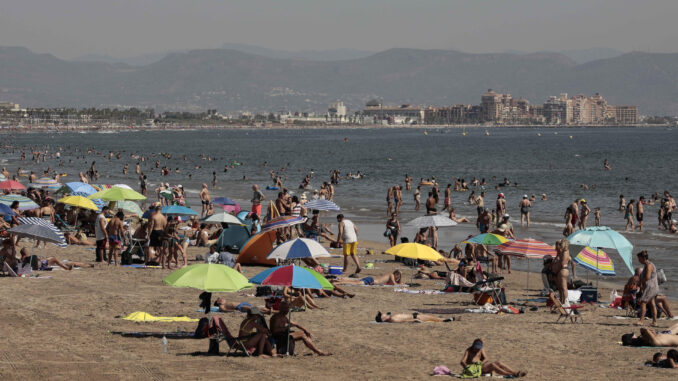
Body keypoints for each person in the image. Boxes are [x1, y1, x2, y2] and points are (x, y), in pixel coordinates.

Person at [460, 339, 526, 378]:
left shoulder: (481, 349)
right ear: (473, 346)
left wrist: (481, 363)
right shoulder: (468, 350)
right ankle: (510, 374)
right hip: (475, 369)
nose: (477, 350)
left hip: (481, 366)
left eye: (478, 348)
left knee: (498, 362)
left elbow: (486, 358)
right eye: (476, 348)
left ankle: (515, 372)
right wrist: (467, 367)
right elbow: (462, 361)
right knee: (493, 365)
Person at [19, 247, 93, 271]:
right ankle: (66, 268)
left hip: (42, 263)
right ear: (25, 252)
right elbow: (38, 261)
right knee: (54, 259)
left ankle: (88, 265)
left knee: (51, 258)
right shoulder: (30, 258)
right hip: (42, 265)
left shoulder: (22, 259)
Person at [637, 250, 659, 326]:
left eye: (639, 259)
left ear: (643, 258)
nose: (639, 260)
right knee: (652, 304)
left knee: (643, 302)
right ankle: (654, 322)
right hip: (653, 287)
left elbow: (647, 277)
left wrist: (640, 282)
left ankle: (641, 320)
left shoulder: (649, 266)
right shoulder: (648, 265)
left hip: (650, 287)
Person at [551, 239, 575, 305]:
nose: (559, 245)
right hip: (562, 270)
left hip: (563, 270)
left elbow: (563, 263)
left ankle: (566, 302)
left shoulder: (565, 252)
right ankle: (563, 302)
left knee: (564, 288)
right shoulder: (563, 252)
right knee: (561, 288)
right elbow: (570, 262)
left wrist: (556, 265)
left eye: (560, 244)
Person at [332, 270, 402, 286]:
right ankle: (338, 282)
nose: (398, 277)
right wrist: (400, 284)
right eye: (399, 276)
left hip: (371, 279)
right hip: (371, 281)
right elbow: (394, 284)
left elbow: (391, 283)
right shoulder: (391, 275)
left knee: (355, 280)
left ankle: (339, 279)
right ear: (396, 274)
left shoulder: (389, 275)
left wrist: (400, 281)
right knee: (355, 283)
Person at [375, 311, 458, 323]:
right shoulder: (392, 319)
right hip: (416, 317)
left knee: (433, 318)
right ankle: (451, 319)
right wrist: (414, 320)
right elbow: (404, 321)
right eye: (382, 314)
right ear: (383, 318)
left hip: (416, 315)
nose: (383, 313)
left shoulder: (391, 317)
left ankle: (450, 319)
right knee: (436, 319)